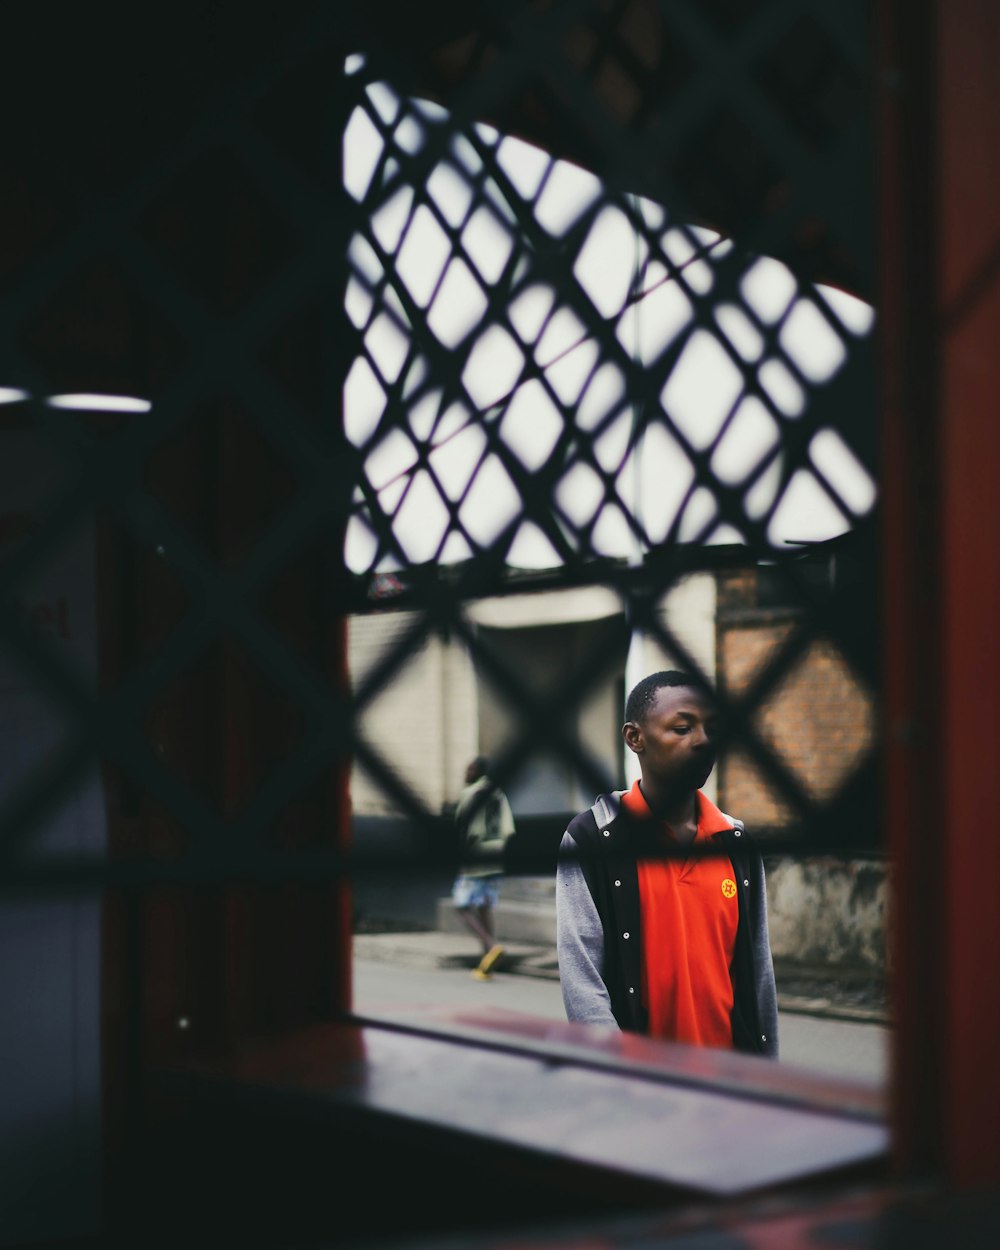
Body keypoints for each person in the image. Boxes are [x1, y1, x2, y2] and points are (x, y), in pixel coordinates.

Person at [556, 670, 778, 1057]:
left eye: (712, 727)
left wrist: (767, 1082)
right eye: (682, 728)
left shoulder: (735, 843)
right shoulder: (594, 841)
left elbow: (759, 977)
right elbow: (583, 984)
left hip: (731, 1087)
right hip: (644, 1091)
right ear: (634, 738)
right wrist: (624, 1078)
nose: (703, 741)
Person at [451, 755, 517, 981]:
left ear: (479, 772)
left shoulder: (470, 793)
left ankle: (491, 945)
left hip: (475, 856)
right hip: (496, 853)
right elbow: (508, 828)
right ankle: (486, 959)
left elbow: (467, 828)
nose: (465, 774)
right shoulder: (497, 792)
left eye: (469, 770)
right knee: (485, 905)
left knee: (461, 904)